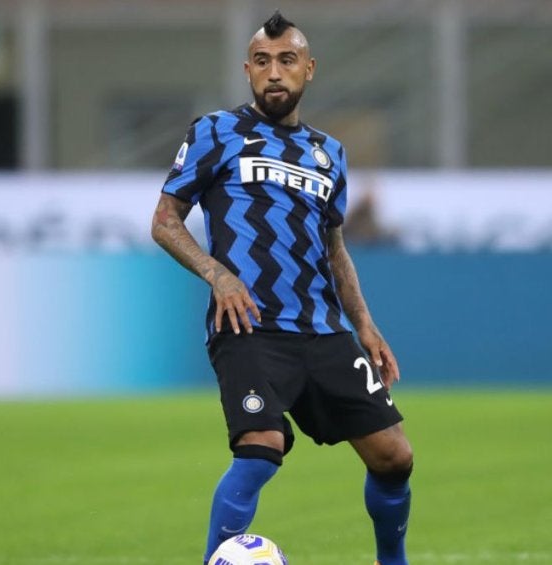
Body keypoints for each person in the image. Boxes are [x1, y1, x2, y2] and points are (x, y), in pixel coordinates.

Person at [151, 11, 414, 565]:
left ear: (308, 69)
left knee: (394, 456)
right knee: (260, 449)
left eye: (287, 60)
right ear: (247, 69)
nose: (274, 72)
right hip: (249, 327)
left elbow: (335, 248)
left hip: (322, 329)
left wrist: (364, 325)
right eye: (263, 61)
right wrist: (218, 274)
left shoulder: (329, 153)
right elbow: (165, 221)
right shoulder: (216, 132)